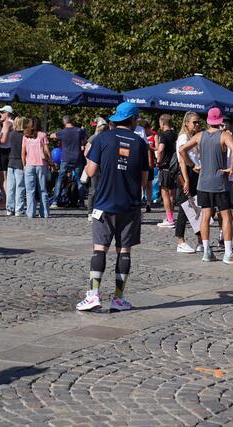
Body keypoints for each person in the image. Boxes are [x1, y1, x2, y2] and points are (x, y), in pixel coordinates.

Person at [75, 102, 149, 312]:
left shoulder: (102, 138)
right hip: (130, 205)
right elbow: (144, 181)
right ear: (133, 120)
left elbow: (90, 172)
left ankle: (93, 296)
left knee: (100, 248)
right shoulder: (140, 144)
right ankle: (118, 298)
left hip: (104, 203)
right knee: (124, 250)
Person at [179, 107, 233, 265]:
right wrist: (232, 168)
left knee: (205, 215)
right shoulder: (224, 135)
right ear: (221, 121)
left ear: (208, 121)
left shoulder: (199, 135)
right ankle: (228, 253)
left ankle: (207, 251)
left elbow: (182, 150)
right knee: (226, 216)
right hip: (219, 182)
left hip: (203, 182)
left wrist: (192, 165)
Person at [174, 111, 203, 253]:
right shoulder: (183, 137)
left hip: (196, 173)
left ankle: (200, 240)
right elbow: (182, 161)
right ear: (186, 123)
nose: (197, 125)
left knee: (197, 208)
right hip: (188, 174)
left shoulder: (194, 136)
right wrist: (186, 180)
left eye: (198, 122)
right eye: (194, 122)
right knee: (185, 208)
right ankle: (180, 241)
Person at [51, 115, 87, 209]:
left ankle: (55, 201)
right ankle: (82, 203)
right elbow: (84, 140)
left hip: (65, 158)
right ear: (72, 121)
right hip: (77, 158)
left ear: (64, 122)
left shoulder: (62, 132)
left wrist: (54, 135)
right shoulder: (79, 131)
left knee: (60, 179)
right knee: (79, 180)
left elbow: (52, 136)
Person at [22, 118, 51, 219]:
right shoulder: (43, 135)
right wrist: (50, 161)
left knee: (30, 190)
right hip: (41, 164)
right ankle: (44, 213)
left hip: (29, 164)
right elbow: (46, 151)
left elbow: (23, 153)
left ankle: (31, 212)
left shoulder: (26, 136)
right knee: (42, 189)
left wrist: (24, 165)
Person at [156, 114, 177, 228]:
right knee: (172, 193)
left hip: (165, 166)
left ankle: (169, 220)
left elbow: (160, 150)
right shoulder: (175, 134)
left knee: (165, 193)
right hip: (174, 166)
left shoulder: (163, 135)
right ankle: (171, 216)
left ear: (163, 123)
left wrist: (158, 161)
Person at [86, 117, 108, 220]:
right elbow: (86, 153)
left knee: (101, 190)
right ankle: (90, 212)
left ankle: (99, 211)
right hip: (95, 167)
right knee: (94, 190)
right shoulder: (94, 138)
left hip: (104, 168)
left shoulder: (108, 139)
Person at [4, 117, 26, 216]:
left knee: (10, 187)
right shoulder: (24, 136)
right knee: (20, 187)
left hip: (11, 161)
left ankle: (10, 208)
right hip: (20, 162)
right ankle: (19, 209)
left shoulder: (11, 134)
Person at [0, 105, 15, 200]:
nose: (0, 114)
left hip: (4, 151)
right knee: (8, 176)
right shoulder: (13, 122)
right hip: (11, 150)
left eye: (2, 112)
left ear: (7, 113)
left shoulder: (7, 123)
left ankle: (7, 199)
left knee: (3, 177)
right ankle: (8, 198)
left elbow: (3, 140)